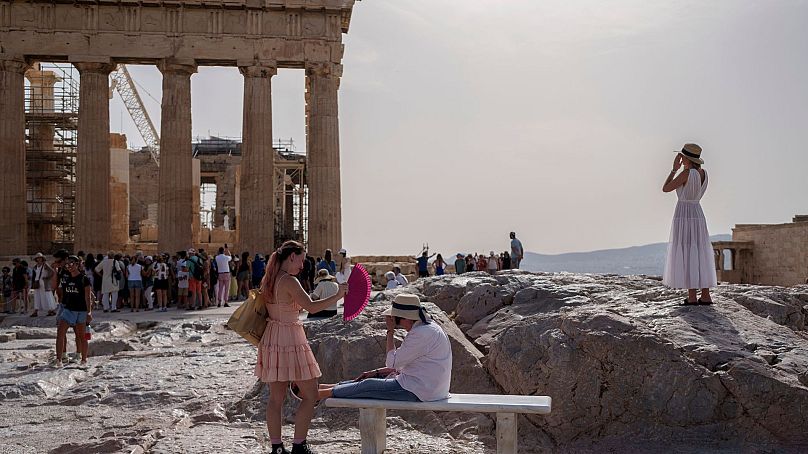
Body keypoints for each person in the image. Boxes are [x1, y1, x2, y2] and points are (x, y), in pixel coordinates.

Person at [255, 240, 347, 454]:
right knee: (311, 393)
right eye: (302, 259)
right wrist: (337, 296)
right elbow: (311, 307)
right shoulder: (289, 280)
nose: (303, 265)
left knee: (275, 398)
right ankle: (299, 445)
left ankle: (277, 448)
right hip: (290, 338)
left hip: (272, 337)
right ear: (292, 257)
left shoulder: (269, 278)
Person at [318, 293, 452, 403]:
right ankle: (328, 387)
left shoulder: (420, 334)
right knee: (368, 379)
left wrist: (390, 331)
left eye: (396, 320)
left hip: (421, 391)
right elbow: (403, 364)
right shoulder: (429, 328)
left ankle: (319, 395)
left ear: (405, 318)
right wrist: (376, 372)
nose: (395, 322)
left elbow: (392, 362)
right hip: (431, 388)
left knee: (368, 385)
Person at [662, 143, 717, 305]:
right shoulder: (704, 173)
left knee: (687, 250)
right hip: (698, 213)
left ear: (686, 158)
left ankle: (692, 297)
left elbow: (666, 188)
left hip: (684, 213)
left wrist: (674, 169)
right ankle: (705, 295)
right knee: (699, 251)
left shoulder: (686, 173)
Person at [55, 256, 92, 368]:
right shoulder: (66, 279)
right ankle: (59, 360)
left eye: (71, 263)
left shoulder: (84, 279)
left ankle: (84, 360)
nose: (69, 266)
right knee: (60, 333)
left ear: (77, 264)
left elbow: (88, 297)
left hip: (81, 311)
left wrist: (89, 312)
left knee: (82, 336)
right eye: (67, 264)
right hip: (68, 310)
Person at [31, 253, 57, 317]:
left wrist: (47, 278)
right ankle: (36, 311)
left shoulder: (45, 265)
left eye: (40, 258)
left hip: (44, 283)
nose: (39, 259)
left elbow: (52, 272)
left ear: (42, 258)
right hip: (37, 282)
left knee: (47, 296)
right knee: (37, 296)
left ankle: (51, 310)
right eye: (37, 258)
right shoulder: (35, 266)